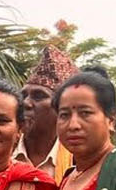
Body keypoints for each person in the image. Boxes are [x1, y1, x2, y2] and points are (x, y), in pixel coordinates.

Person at [14, 46, 79, 179]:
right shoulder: (0, 155)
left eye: (38, 96)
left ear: (61, 109)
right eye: (23, 95)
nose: (26, 103)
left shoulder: (78, 162)